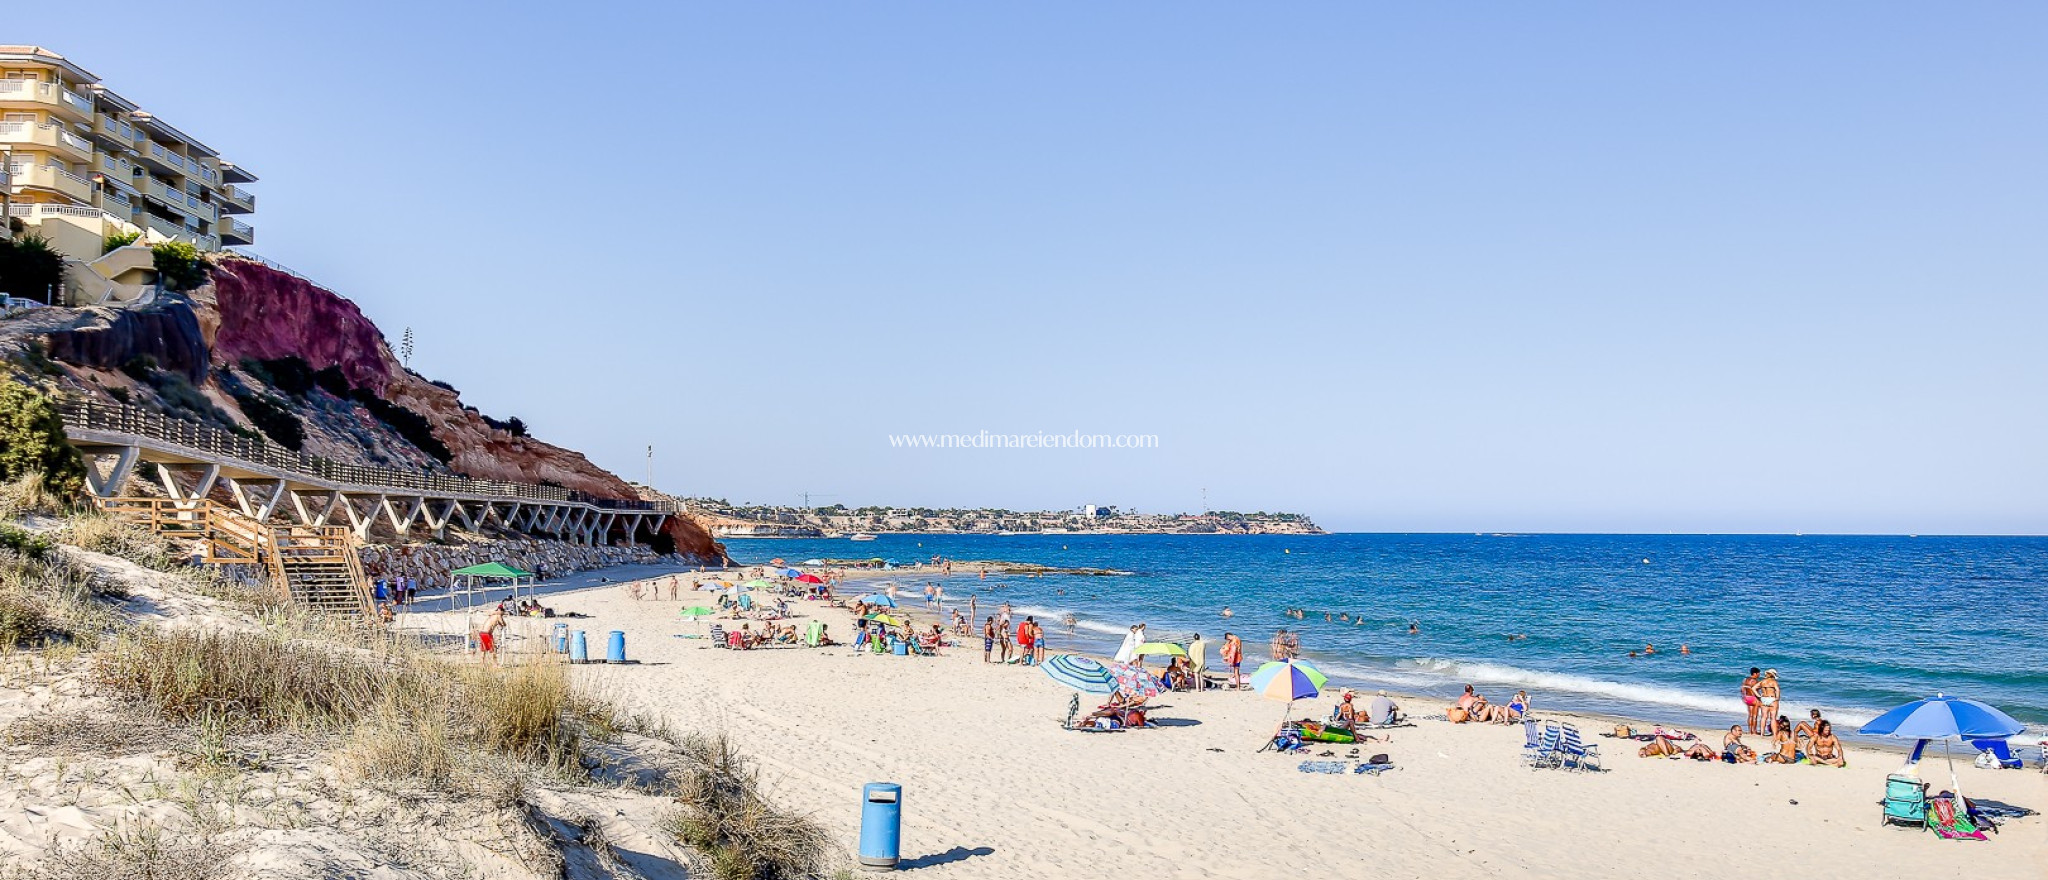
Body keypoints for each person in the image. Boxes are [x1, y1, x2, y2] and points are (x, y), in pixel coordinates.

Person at [1741, 668, 1764, 734]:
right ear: (1755, 673)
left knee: (1750, 715)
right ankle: (1754, 731)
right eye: (1758, 673)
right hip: (1754, 698)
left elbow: (1742, 689)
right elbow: (1758, 690)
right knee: (1755, 716)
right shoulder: (1755, 681)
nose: (1759, 675)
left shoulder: (1745, 680)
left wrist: (1743, 697)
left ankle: (1750, 730)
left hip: (1747, 698)